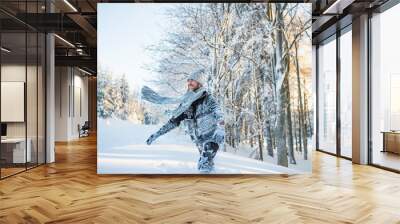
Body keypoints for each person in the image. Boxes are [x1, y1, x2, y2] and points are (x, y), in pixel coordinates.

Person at [145, 69, 225, 173]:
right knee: (207, 165)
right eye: (189, 80)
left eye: (193, 80)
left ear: (199, 83)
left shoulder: (207, 98)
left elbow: (218, 111)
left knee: (204, 164)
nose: (190, 82)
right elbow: (173, 121)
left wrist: (220, 126)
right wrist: (156, 134)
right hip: (199, 140)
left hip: (212, 138)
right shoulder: (187, 104)